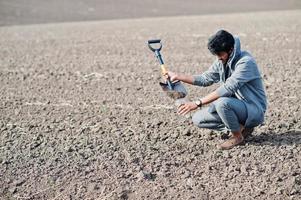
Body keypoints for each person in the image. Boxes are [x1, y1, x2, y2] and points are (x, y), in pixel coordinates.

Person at [166, 30, 267, 150]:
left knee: (222, 103)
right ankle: (241, 126)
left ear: (230, 49)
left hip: (252, 109)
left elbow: (227, 88)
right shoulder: (222, 60)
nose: (218, 58)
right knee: (198, 119)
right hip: (235, 106)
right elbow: (205, 79)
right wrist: (177, 76)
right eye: (216, 55)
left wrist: (197, 103)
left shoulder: (246, 62)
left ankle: (237, 136)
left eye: (220, 54)